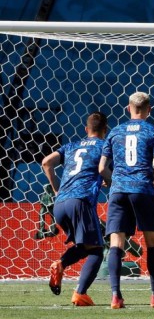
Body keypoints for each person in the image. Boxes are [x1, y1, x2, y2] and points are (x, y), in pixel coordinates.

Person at [98, 92, 154, 309]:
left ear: (128, 108)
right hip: (143, 190)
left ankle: (115, 296)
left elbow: (102, 168)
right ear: (149, 110)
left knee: (116, 243)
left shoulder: (115, 132)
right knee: (152, 243)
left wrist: (114, 183)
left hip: (119, 191)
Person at [41, 112, 111, 306]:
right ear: (105, 130)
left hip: (60, 204)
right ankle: (80, 293)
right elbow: (102, 169)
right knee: (97, 249)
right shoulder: (105, 146)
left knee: (84, 246)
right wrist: (109, 181)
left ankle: (61, 264)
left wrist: (57, 190)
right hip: (80, 201)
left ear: (86, 130)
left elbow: (46, 162)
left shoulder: (71, 146)